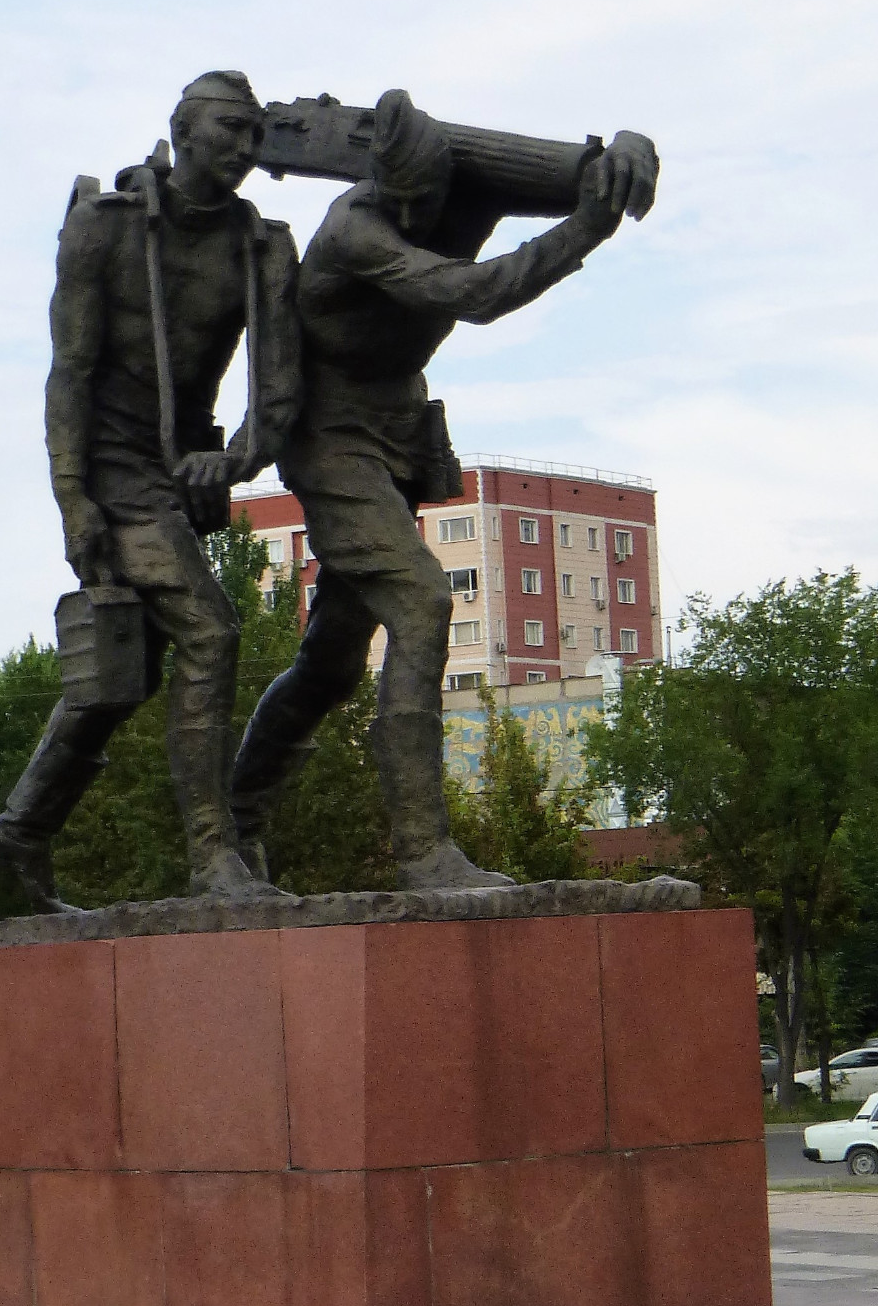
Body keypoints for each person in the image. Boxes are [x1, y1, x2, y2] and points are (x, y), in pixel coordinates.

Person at [231, 88, 658, 889]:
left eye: (429, 196)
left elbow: (579, 169)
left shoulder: (463, 180)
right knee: (423, 601)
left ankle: (236, 815)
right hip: (329, 438)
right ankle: (424, 852)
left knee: (331, 663)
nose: (421, 209)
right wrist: (586, 230)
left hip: (395, 432)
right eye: (405, 198)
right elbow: (477, 296)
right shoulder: (355, 228)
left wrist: (623, 149)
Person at [0, 71, 302, 913]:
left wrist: (230, 462)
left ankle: (18, 835)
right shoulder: (105, 230)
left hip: (177, 477)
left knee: (128, 674)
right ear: (183, 131)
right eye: (229, 129)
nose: (243, 146)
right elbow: (69, 375)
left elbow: (275, 397)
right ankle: (212, 858)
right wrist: (72, 501)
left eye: (254, 133)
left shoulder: (261, 247)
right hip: (113, 472)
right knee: (212, 632)